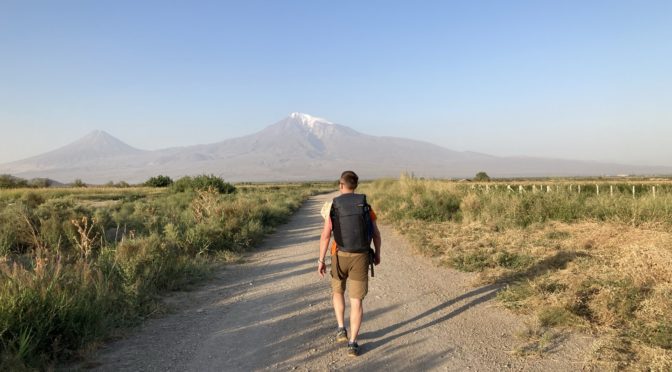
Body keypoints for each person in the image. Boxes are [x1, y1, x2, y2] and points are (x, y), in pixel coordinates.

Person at [318, 170, 381, 357]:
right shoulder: (366, 207)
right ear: (356, 186)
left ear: (340, 185)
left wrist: (321, 260)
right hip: (361, 257)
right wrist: (377, 254)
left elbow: (325, 235)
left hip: (339, 255)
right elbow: (376, 234)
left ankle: (340, 328)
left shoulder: (332, 206)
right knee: (356, 301)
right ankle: (353, 343)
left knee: (337, 291)